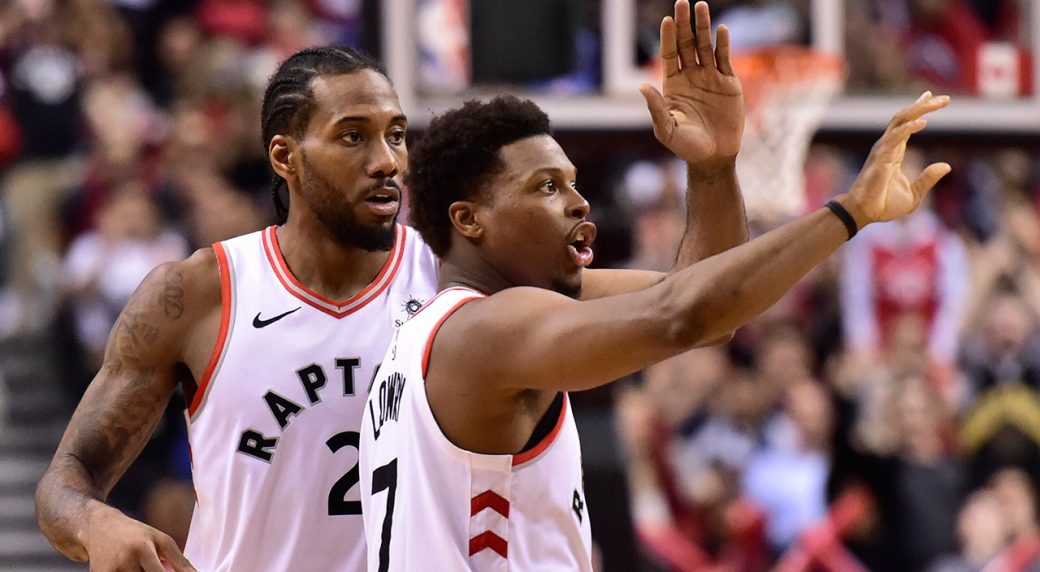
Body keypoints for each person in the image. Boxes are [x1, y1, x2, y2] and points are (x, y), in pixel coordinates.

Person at [34, 0, 752, 567]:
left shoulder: (466, 281)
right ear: (285, 156)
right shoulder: (200, 293)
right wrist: (96, 523)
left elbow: (699, 305)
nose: (387, 160)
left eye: (398, 134)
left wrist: (713, 170)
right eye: (353, 136)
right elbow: (65, 483)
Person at [358, 54, 951, 572]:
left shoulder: (438, 333)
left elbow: (710, 308)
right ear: (469, 220)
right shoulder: (488, 331)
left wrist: (714, 170)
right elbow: (683, 315)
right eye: (545, 187)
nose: (578, 201)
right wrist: (848, 212)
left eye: (571, 182)